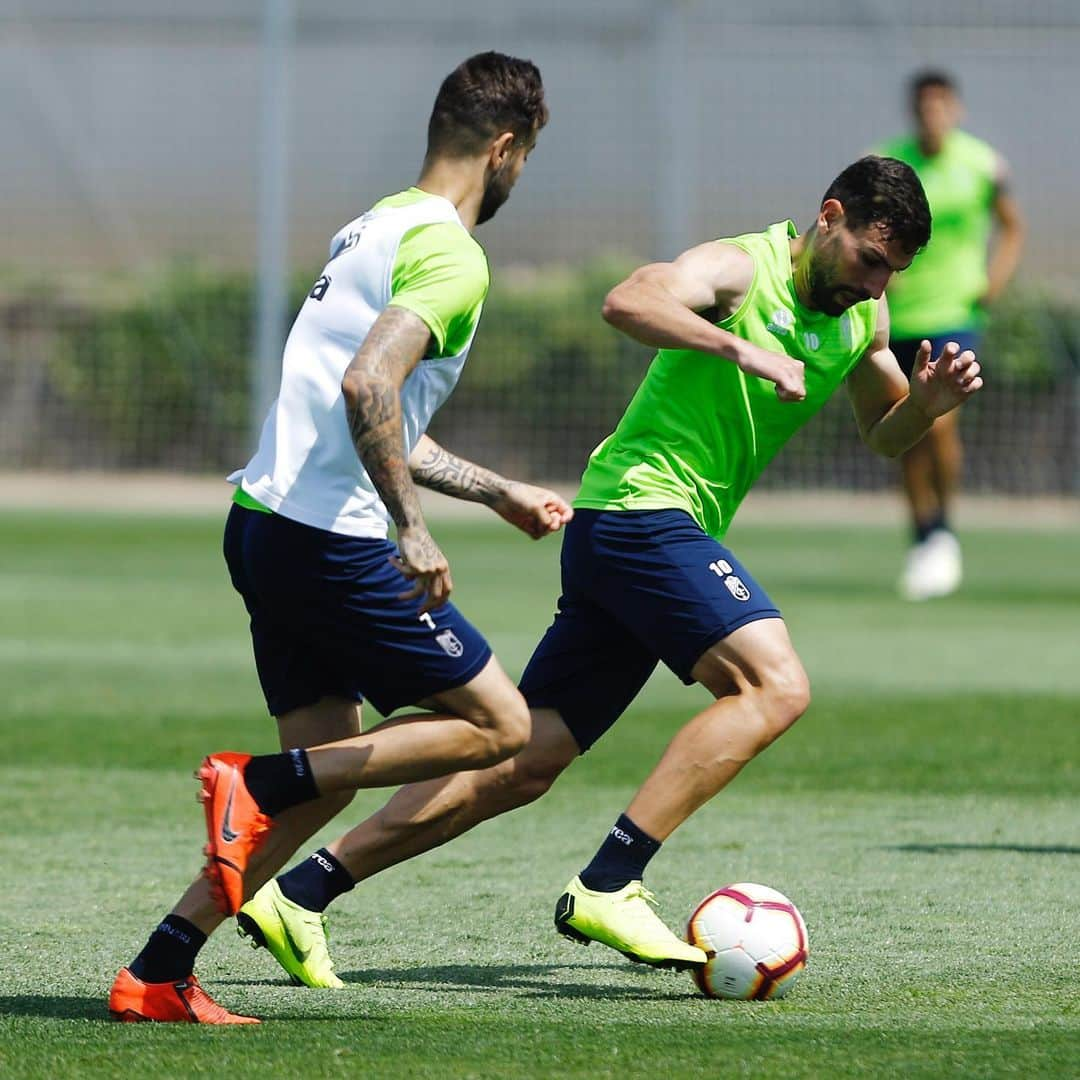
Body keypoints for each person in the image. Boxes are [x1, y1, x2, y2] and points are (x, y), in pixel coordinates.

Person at [228, 155, 983, 991]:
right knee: (776, 686)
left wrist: (929, 404)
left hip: (634, 534)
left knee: (523, 760)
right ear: (830, 216)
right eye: (869, 260)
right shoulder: (740, 268)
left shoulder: (864, 318)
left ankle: (301, 892)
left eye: (893, 272)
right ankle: (611, 881)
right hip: (638, 513)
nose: (876, 282)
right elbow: (628, 301)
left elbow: (884, 431)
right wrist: (740, 349)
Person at [108, 50, 570, 1024]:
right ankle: (254, 780)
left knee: (324, 785)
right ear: (504, 146)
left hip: (266, 528)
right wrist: (414, 527)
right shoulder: (451, 249)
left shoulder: (372, 225)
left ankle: (159, 968)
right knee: (504, 726)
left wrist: (494, 493)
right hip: (333, 541)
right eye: (526, 156)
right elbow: (370, 387)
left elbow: (374, 406)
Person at [876, 71, 1024, 600]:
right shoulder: (889, 163)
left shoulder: (981, 163)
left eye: (941, 105)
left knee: (938, 424)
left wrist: (994, 281)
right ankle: (923, 536)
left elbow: (1011, 225)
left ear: (955, 108)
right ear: (913, 111)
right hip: (896, 315)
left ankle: (944, 531)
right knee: (903, 430)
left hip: (954, 314)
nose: (932, 114)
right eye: (923, 106)